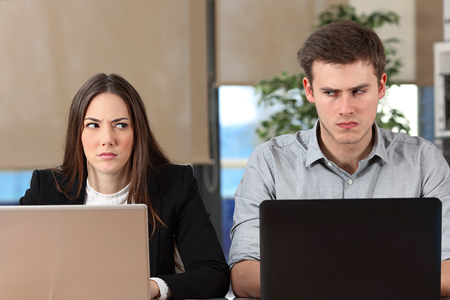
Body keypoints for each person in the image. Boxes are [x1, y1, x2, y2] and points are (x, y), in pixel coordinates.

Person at [229, 20, 450, 298]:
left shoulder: (424, 160)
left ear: (381, 86)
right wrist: (378, 280)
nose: (346, 109)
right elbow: (244, 274)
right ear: (309, 91)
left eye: (359, 91)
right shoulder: (270, 162)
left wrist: (327, 281)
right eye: (331, 92)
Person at [20, 73, 230, 300]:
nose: (107, 139)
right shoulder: (46, 188)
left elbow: (214, 275)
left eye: (120, 125)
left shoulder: (175, 184)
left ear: (137, 132)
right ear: (78, 133)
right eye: (93, 125)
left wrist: (149, 287)